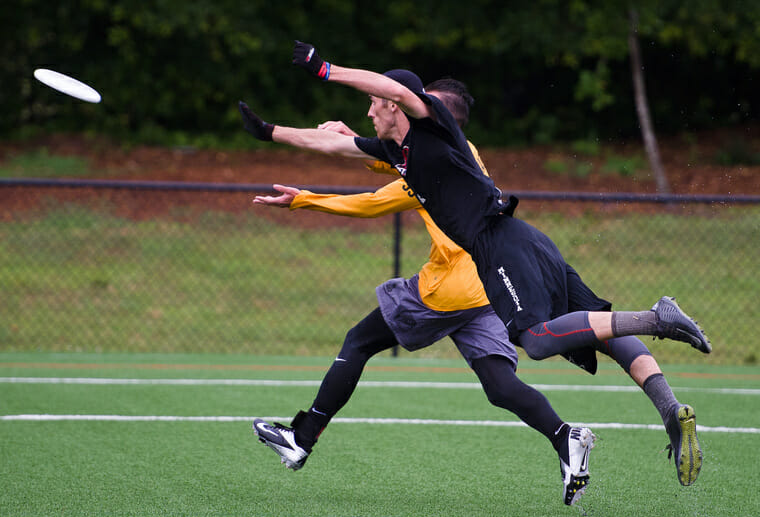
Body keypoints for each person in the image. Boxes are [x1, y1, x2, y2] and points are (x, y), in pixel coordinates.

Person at [239, 41, 709, 488]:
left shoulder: (435, 124)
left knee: (538, 342)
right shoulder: (399, 152)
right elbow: (331, 146)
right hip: (522, 243)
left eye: (374, 103)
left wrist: (325, 69)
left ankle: (658, 318)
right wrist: (268, 133)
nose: (369, 111)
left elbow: (399, 94)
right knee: (599, 329)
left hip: (497, 247)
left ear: (396, 105)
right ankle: (668, 407)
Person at [252, 79, 594, 507]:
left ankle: (301, 439)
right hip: (486, 284)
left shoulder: (432, 166)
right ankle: (567, 438)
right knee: (500, 384)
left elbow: (371, 203)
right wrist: (346, 138)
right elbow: (390, 160)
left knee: (360, 341)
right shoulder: (462, 150)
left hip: (448, 286)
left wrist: (303, 199)